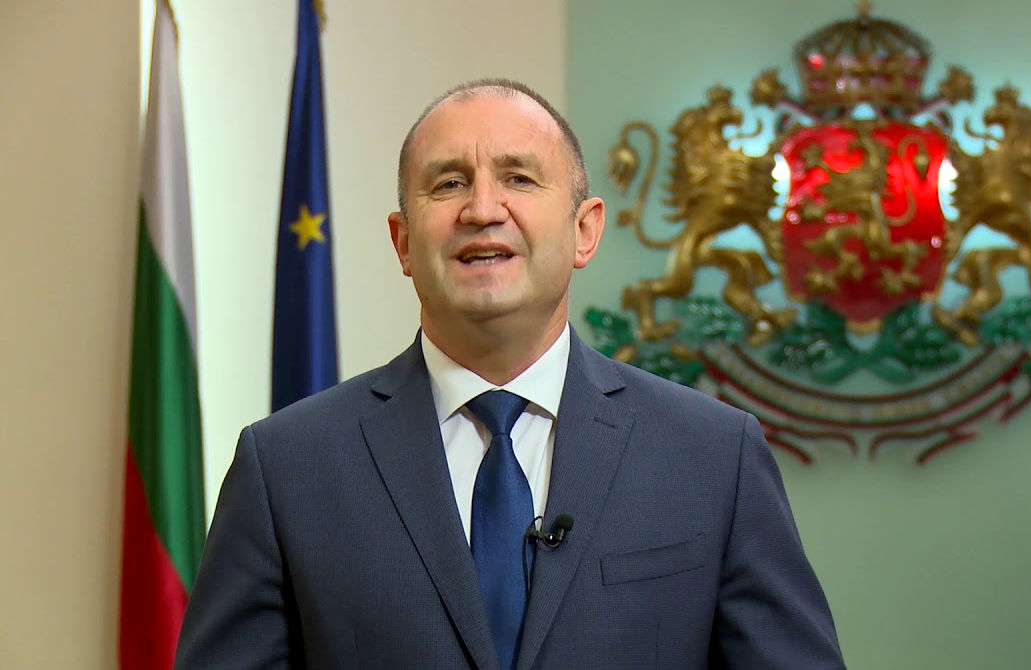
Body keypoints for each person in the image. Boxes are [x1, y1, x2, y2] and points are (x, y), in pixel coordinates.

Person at [175, 79, 844, 669]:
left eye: (519, 178)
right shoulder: (285, 467)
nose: (482, 209)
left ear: (585, 231)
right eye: (448, 183)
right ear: (403, 242)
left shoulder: (714, 456)